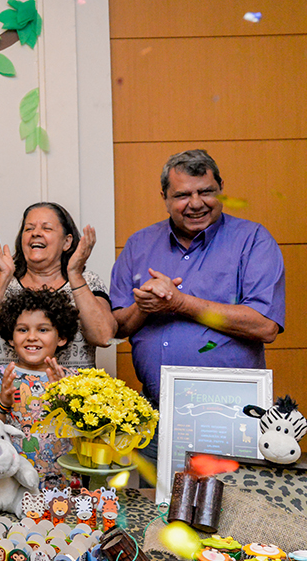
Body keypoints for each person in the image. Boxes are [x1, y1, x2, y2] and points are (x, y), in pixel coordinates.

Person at [110, 149, 285, 463]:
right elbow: (118, 327)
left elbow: (265, 326)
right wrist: (145, 306)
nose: (196, 203)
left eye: (206, 191)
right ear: (164, 197)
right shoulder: (139, 245)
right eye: (182, 195)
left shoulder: (253, 240)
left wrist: (179, 302)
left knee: (231, 497)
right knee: (155, 496)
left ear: (221, 189)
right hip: (154, 417)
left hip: (231, 417)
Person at [0, 202, 116, 403]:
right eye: (29, 229)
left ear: (67, 242)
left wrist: (75, 274)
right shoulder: (2, 282)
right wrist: (4, 276)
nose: (35, 233)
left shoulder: (87, 281)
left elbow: (104, 337)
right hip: (10, 403)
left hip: (73, 405)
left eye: (46, 228)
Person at [0, 287, 80, 487]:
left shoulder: (76, 381)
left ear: (62, 337)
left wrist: (66, 401)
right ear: (11, 337)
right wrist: (2, 404)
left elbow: (90, 437)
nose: (32, 337)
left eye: (43, 329)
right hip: (6, 489)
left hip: (64, 489)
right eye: (22, 329)